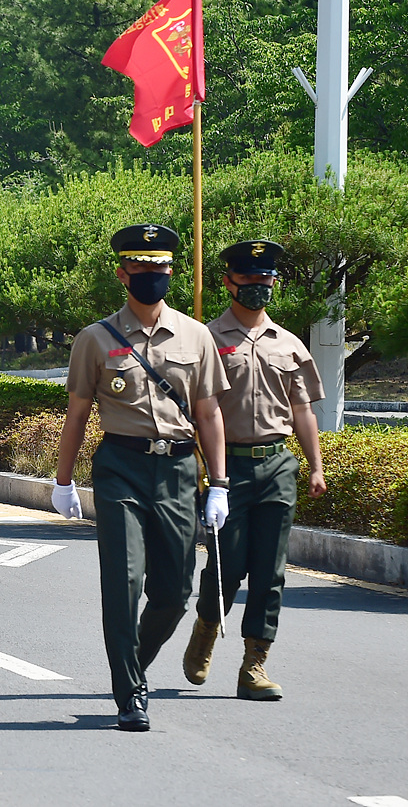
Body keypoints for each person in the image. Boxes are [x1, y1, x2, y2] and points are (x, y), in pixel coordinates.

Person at [51, 223, 229, 731]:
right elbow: (78, 413)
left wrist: (219, 483)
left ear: (171, 272)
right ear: (122, 273)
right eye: (141, 268)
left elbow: (210, 413)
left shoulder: (197, 335)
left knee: (173, 594)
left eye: (160, 268)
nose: (152, 276)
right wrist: (63, 482)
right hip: (120, 467)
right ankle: (129, 691)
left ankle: (134, 665)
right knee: (124, 581)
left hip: (177, 469)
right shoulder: (95, 339)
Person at [182, 240, 326, 701]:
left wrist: (314, 467)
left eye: (265, 279)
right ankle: (206, 627)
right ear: (228, 282)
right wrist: (207, 474)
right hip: (231, 470)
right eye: (248, 279)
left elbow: (302, 410)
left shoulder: (289, 343)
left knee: (271, 572)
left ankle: (254, 665)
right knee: (227, 566)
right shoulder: (206, 339)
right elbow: (197, 411)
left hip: (278, 464)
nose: (258, 286)